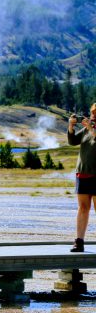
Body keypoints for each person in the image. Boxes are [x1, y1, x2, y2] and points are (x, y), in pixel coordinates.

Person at [67, 104, 96, 252]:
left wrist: (92, 128)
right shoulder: (86, 130)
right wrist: (71, 126)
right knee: (83, 208)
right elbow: (72, 141)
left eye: (95, 114)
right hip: (83, 173)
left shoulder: (91, 129)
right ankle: (79, 241)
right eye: (92, 113)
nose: (93, 116)